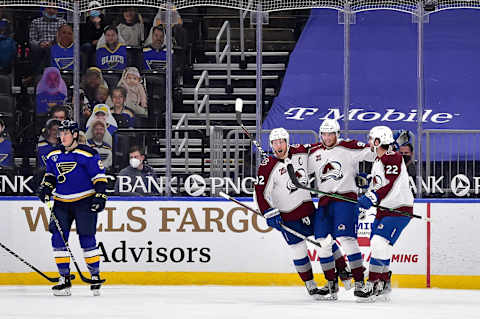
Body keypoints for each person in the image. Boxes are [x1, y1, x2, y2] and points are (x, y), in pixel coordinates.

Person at [254, 127, 351, 300]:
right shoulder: (266, 166)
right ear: (271, 145)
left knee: (326, 241)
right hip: (288, 217)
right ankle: (310, 284)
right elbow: (260, 193)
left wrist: (337, 144)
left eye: (281, 141)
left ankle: (341, 272)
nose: (279, 145)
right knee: (298, 251)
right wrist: (268, 212)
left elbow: (321, 147)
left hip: (308, 211)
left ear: (287, 142)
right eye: (275, 143)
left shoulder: (300, 151)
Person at [307, 119, 376, 299]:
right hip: (323, 201)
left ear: (338, 134)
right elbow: (298, 166)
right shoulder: (314, 152)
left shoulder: (349, 146)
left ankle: (360, 281)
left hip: (345, 199)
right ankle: (331, 285)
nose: (328, 137)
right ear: (320, 134)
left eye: (331, 134)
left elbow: (375, 154)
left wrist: (372, 175)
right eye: (324, 133)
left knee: (346, 239)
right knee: (322, 242)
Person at [37, 120, 107, 296]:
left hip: (84, 201)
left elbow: (99, 178)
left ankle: (95, 275)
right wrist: (45, 187)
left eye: (66, 133)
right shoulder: (53, 154)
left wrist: (100, 195)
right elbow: (51, 176)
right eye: (61, 133)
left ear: (75, 134)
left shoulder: (88, 153)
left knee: (86, 238)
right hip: (60, 202)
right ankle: (64, 278)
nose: (62, 136)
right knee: (58, 239)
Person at [354, 126, 414, 302]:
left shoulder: (392, 156)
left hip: (398, 209)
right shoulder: (381, 158)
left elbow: (389, 183)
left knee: (378, 242)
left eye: (372, 139)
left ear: (379, 142)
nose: (369, 142)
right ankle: (383, 282)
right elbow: (380, 183)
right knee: (382, 246)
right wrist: (369, 187)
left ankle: (372, 283)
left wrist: (370, 197)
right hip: (385, 209)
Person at [28, 5, 67, 75]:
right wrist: (40, 44)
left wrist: (53, 43)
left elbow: (64, 39)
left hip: (56, 47)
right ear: (44, 9)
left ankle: (46, 74)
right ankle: (40, 75)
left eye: (54, 8)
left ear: (57, 10)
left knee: (51, 49)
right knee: (40, 50)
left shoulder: (62, 22)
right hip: (40, 48)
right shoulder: (35, 22)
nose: (51, 10)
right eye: (49, 8)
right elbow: (32, 40)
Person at [81, 2, 107, 67]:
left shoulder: (105, 22)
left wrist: (98, 25)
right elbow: (83, 38)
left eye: (97, 9)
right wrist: (92, 42)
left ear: (100, 11)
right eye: (93, 9)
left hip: (102, 44)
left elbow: (107, 34)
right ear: (89, 11)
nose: (95, 11)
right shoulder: (84, 22)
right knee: (87, 46)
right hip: (88, 46)